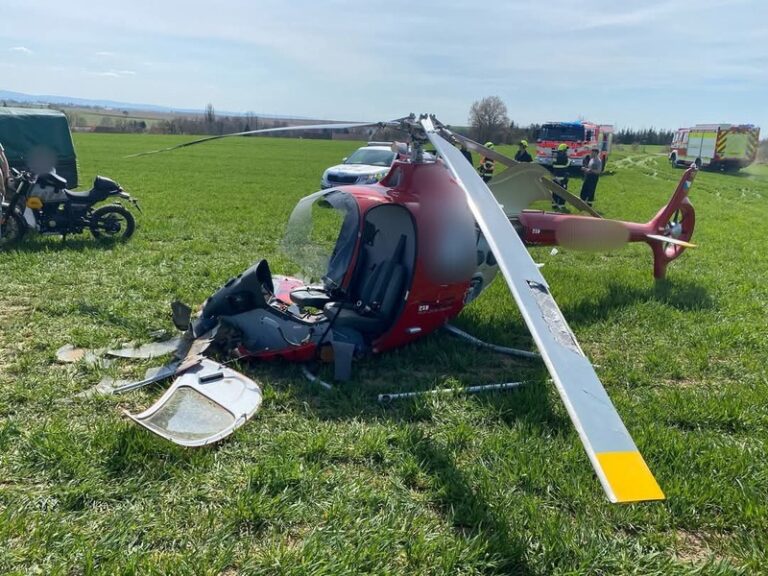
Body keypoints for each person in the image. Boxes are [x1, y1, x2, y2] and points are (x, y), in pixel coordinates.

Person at [551, 143, 570, 211]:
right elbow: (568, 164)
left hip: (555, 177)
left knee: (555, 191)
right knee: (562, 192)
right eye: (566, 150)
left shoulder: (555, 157)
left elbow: (552, 165)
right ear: (563, 150)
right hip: (562, 178)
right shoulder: (565, 157)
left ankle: (554, 204)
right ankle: (561, 205)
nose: (566, 151)